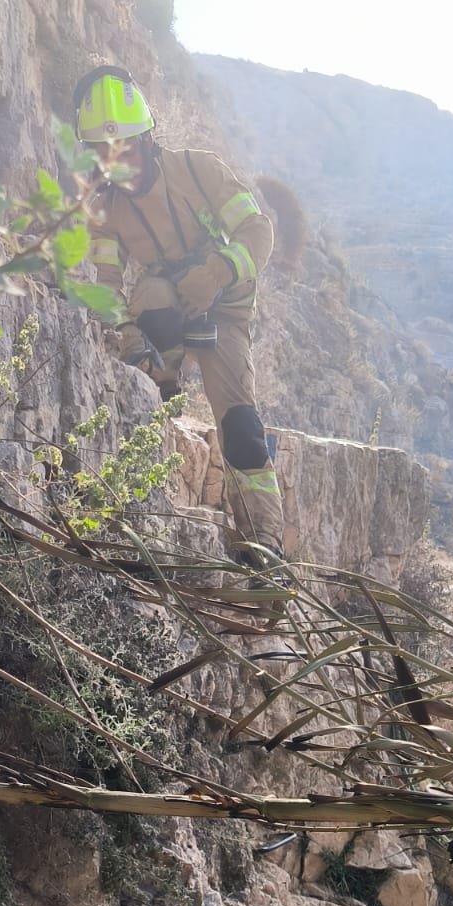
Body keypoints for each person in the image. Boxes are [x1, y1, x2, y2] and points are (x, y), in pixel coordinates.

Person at [73, 64, 284, 563]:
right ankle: (163, 388)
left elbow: (259, 232)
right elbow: (105, 286)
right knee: (151, 293)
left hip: (225, 312)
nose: (116, 163)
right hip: (164, 310)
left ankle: (263, 547)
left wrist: (215, 272)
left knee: (242, 428)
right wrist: (125, 332)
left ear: (148, 138)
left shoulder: (199, 170)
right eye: (104, 154)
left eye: (125, 148)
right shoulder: (104, 209)